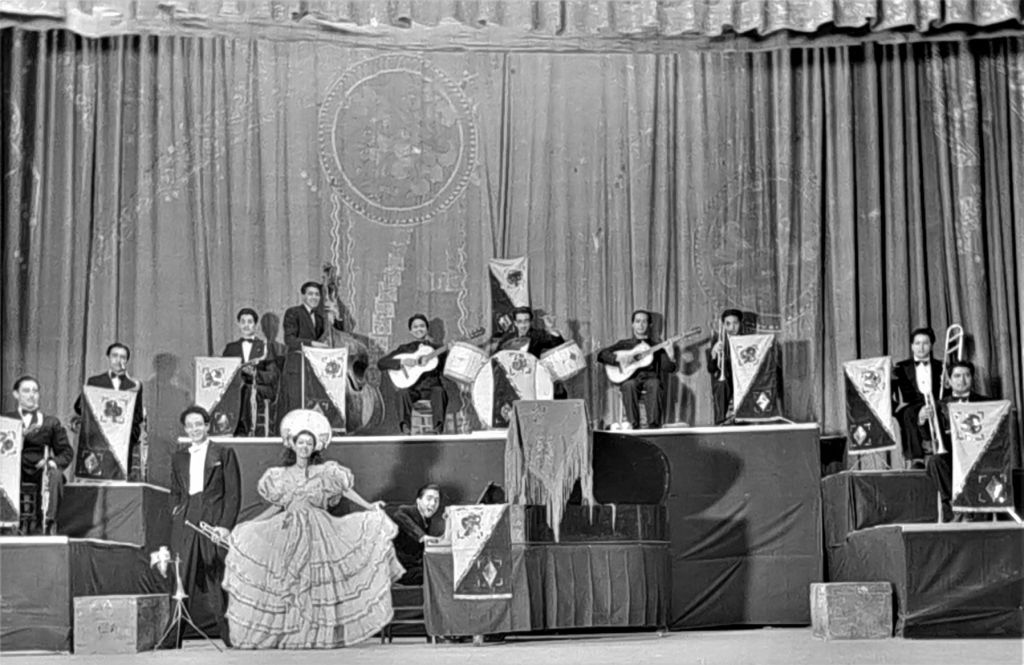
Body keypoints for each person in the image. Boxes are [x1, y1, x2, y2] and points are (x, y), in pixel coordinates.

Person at [223, 409, 404, 649]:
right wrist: (251, 524)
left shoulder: (325, 472)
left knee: (317, 580)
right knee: (291, 580)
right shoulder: (280, 475)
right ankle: (293, 634)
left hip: (319, 529)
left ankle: (317, 634)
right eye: (301, 442)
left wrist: (369, 506)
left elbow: (345, 490)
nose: (305, 447)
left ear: (314, 447)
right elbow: (277, 506)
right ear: (293, 445)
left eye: (309, 443)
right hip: (288, 529)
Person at [169, 406, 240, 646]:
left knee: (219, 578)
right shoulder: (179, 457)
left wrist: (225, 526)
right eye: (190, 425)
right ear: (185, 429)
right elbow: (175, 490)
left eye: (199, 424)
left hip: (213, 518)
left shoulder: (224, 453)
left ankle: (231, 636)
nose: (194, 429)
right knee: (181, 577)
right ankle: (173, 637)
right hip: (186, 518)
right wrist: (176, 511)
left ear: (207, 426)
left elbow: (233, 494)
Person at [4, 376, 73, 534]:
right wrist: (21, 435)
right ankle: (6, 524)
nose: (31, 395)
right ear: (16, 394)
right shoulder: (6, 420)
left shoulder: (50, 422)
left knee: (56, 475)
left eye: (35, 391)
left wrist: (51, 462)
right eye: (26, 391)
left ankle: (49, 523)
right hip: (14, 469)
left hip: (41, 469)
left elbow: (66, 452)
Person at [923, 360, 989, 522]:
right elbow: (927, 436)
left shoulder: (987, 403)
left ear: (972, 379)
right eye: (957, 376)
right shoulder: (939, 406)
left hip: (977, 455)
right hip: (952, 456)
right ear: (949, 380)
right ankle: (958, 507)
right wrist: (922, 419)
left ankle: (963, 511)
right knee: (934, 461)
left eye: (967, 375)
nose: (962, 380)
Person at [276, 282, 345, 429]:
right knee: (295, 405)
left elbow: (337, 336)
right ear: (303, 296)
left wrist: (336, 317)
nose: (314, 297)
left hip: (314, 368)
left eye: (317, 294)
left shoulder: (320, 318)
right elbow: (290, 340)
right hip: (297, 366)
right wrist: (313, 344)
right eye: (310, 294)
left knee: (315, 405)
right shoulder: (293, 312)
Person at [73, 342, 146, 480]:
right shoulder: (95, 381)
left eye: (123, 357)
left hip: (123, 437)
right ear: (108, 358)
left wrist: (125, 425)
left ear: (127, 361)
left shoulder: (134, 385)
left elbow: (138, 416)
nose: (118, 360)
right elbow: (79, 407)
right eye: (115, 356)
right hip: (99, 435)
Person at [598, 310, 677, 429]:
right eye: (638, 321)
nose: (641, 325)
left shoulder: (656, 346)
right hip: (631, 378)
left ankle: (654, 426)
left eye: (644, 321)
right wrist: (618, 359)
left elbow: (669, 368)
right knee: (629, 385)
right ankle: (632, 425)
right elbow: (601, 355)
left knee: (655, 384)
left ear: (650, 325)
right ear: (633, 324)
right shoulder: (625, 344)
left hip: (651, 378)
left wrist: (671, 355)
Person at [377, 315, 448, 435]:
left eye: (422, 326)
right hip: (412, 389)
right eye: (415, 327)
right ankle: (405, 427)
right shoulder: (404, 349)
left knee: (439, 391)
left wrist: (451, 350)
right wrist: (402, 362)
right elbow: (381, 363)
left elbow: (445, 367)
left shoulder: (437, 349)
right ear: (410, 331)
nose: (419, 329)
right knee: (402, 393)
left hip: (431, 388)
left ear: (427, 329)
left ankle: (437, 428)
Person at [222, 308, 279, 436]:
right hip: (236, 387)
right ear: (238, 324)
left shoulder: (265, 346)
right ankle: (224, 428)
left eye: (250, 322)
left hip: (261, 387)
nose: (246, 325)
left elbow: (273, 376)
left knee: (246, 389)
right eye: (243, 322)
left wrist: (255, 374)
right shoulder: (230, 348)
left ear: (255, 325)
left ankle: (243, 431)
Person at [893, 327, 944, 467]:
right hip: (913, 404)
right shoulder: (901, 367)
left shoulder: (941, 366)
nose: (921, 347)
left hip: (936, 402)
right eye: (917, 343)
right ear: (912, 346)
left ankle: (940, 454)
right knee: (908, 414)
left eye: (925, 343)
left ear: (931, 345)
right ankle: (916, 459)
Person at [492, 306, 567, 398]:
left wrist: (551, 328)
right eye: (520, 322)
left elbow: (558, 345)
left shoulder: (537, 335)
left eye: (526, 321)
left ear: (530, 322)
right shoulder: (507, 338)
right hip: (513, 381)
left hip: (532, 378)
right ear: (515, 323)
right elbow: (496, 357)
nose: (523, 325)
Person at [392, 484, 445, 585]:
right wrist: (422, 536)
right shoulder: (406, 511)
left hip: (415, 567)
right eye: (429, 499)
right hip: (401, 570)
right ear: (418, 501)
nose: (433, 504)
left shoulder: (427, 520)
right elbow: (398, 515)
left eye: (436, 500)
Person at [706, 309, 742, 425]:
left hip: (743, 377)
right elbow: (711, 369)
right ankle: (720, 421)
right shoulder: (718, 341)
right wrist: (714, 353)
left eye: (735, 323)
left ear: (740, 323)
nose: (732, 327)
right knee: (721, 384)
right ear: (724, 325)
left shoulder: (745, 340)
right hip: (727, 378)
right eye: (728, 324)